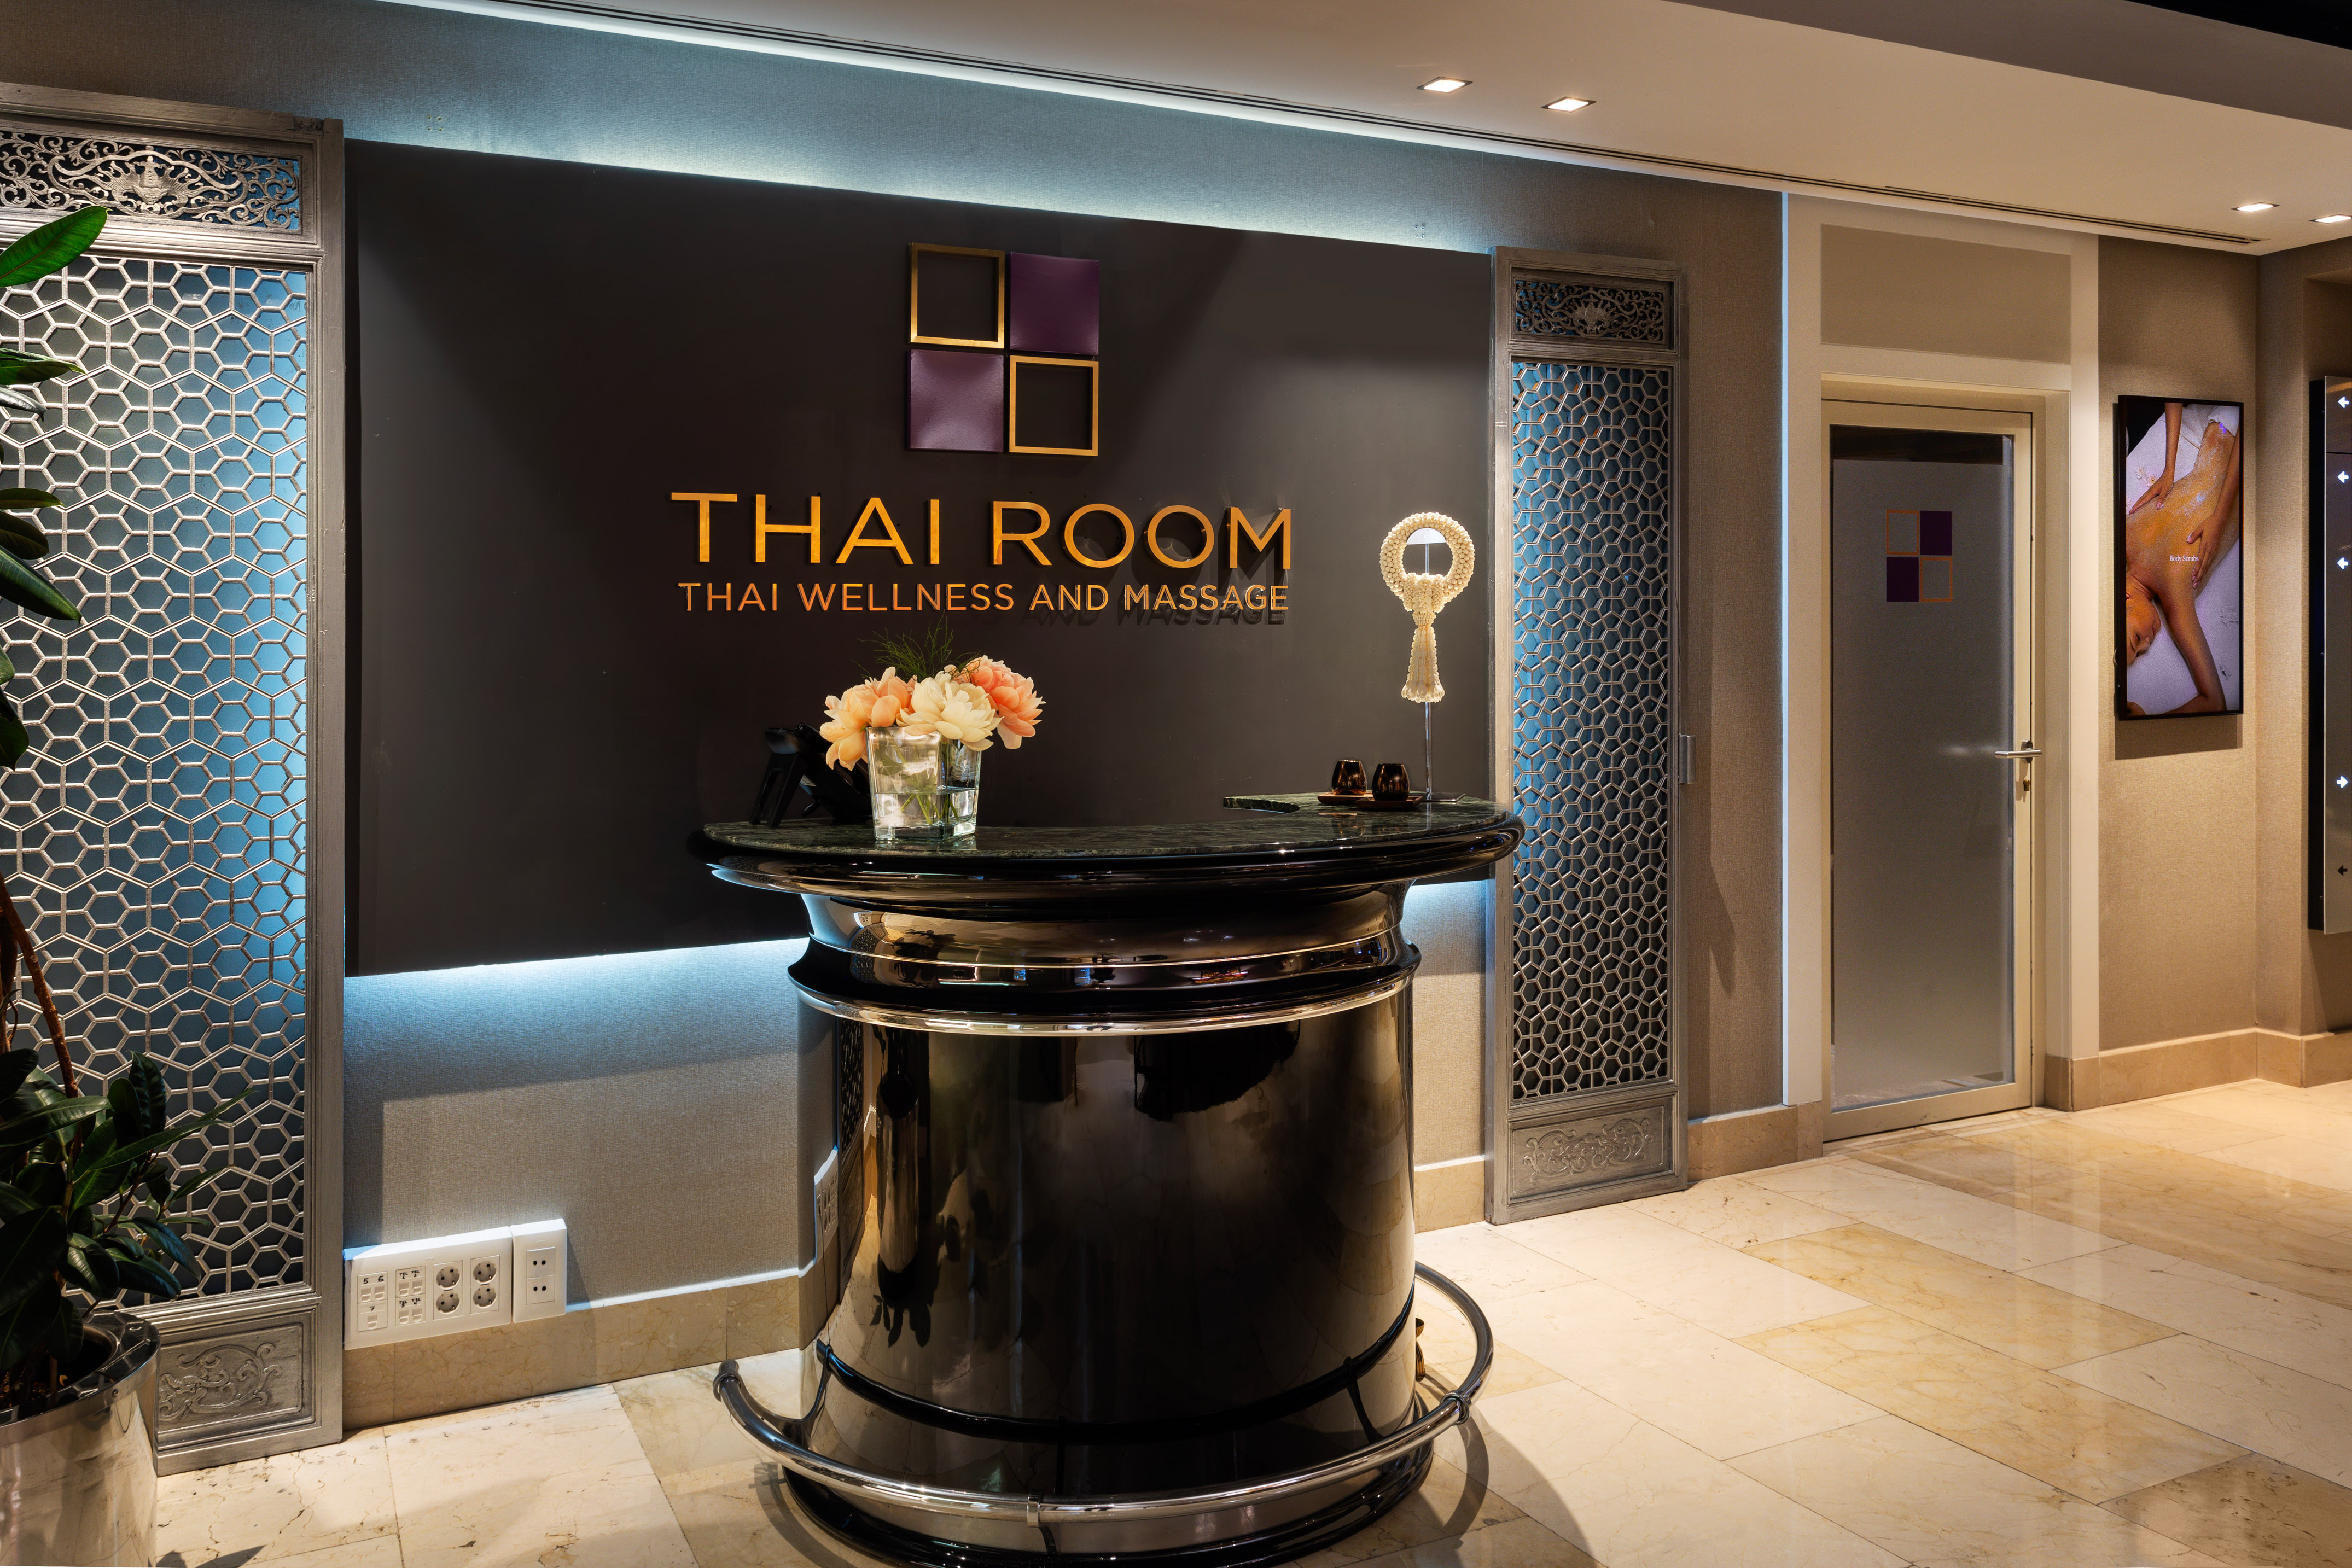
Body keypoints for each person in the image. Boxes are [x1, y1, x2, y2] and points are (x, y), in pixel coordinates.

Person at [2122, 406, 2240, 715]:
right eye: (2142, 652)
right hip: (2222, 427)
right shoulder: (2123, 536)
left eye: (2137, 640)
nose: (2148, 645)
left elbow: (2214, 702)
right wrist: (2169, 471)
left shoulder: (2174, 592)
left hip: (2239, 439)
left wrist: (2218, 519)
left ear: (2124, 600)